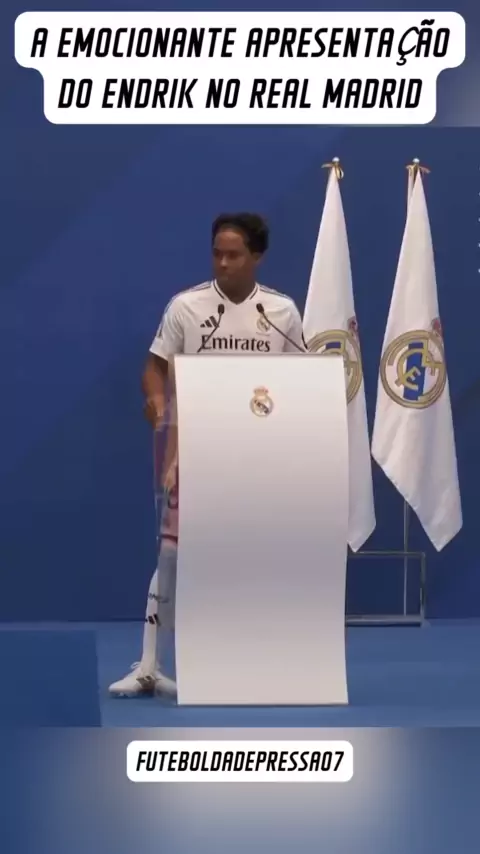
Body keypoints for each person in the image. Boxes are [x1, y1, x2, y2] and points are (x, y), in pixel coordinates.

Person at [109, 212, 306, 698]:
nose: (223, 263)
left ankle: (251, 663)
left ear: (257, 257)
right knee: (172, 553)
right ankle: (150, 665)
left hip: (259, 456)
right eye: (217, 253)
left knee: (253, 557)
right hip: (194, 451)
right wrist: (158, 402)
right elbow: (154, 367)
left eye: (234, 255)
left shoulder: (280, 312)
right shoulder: (187, 306)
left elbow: (300, 380)